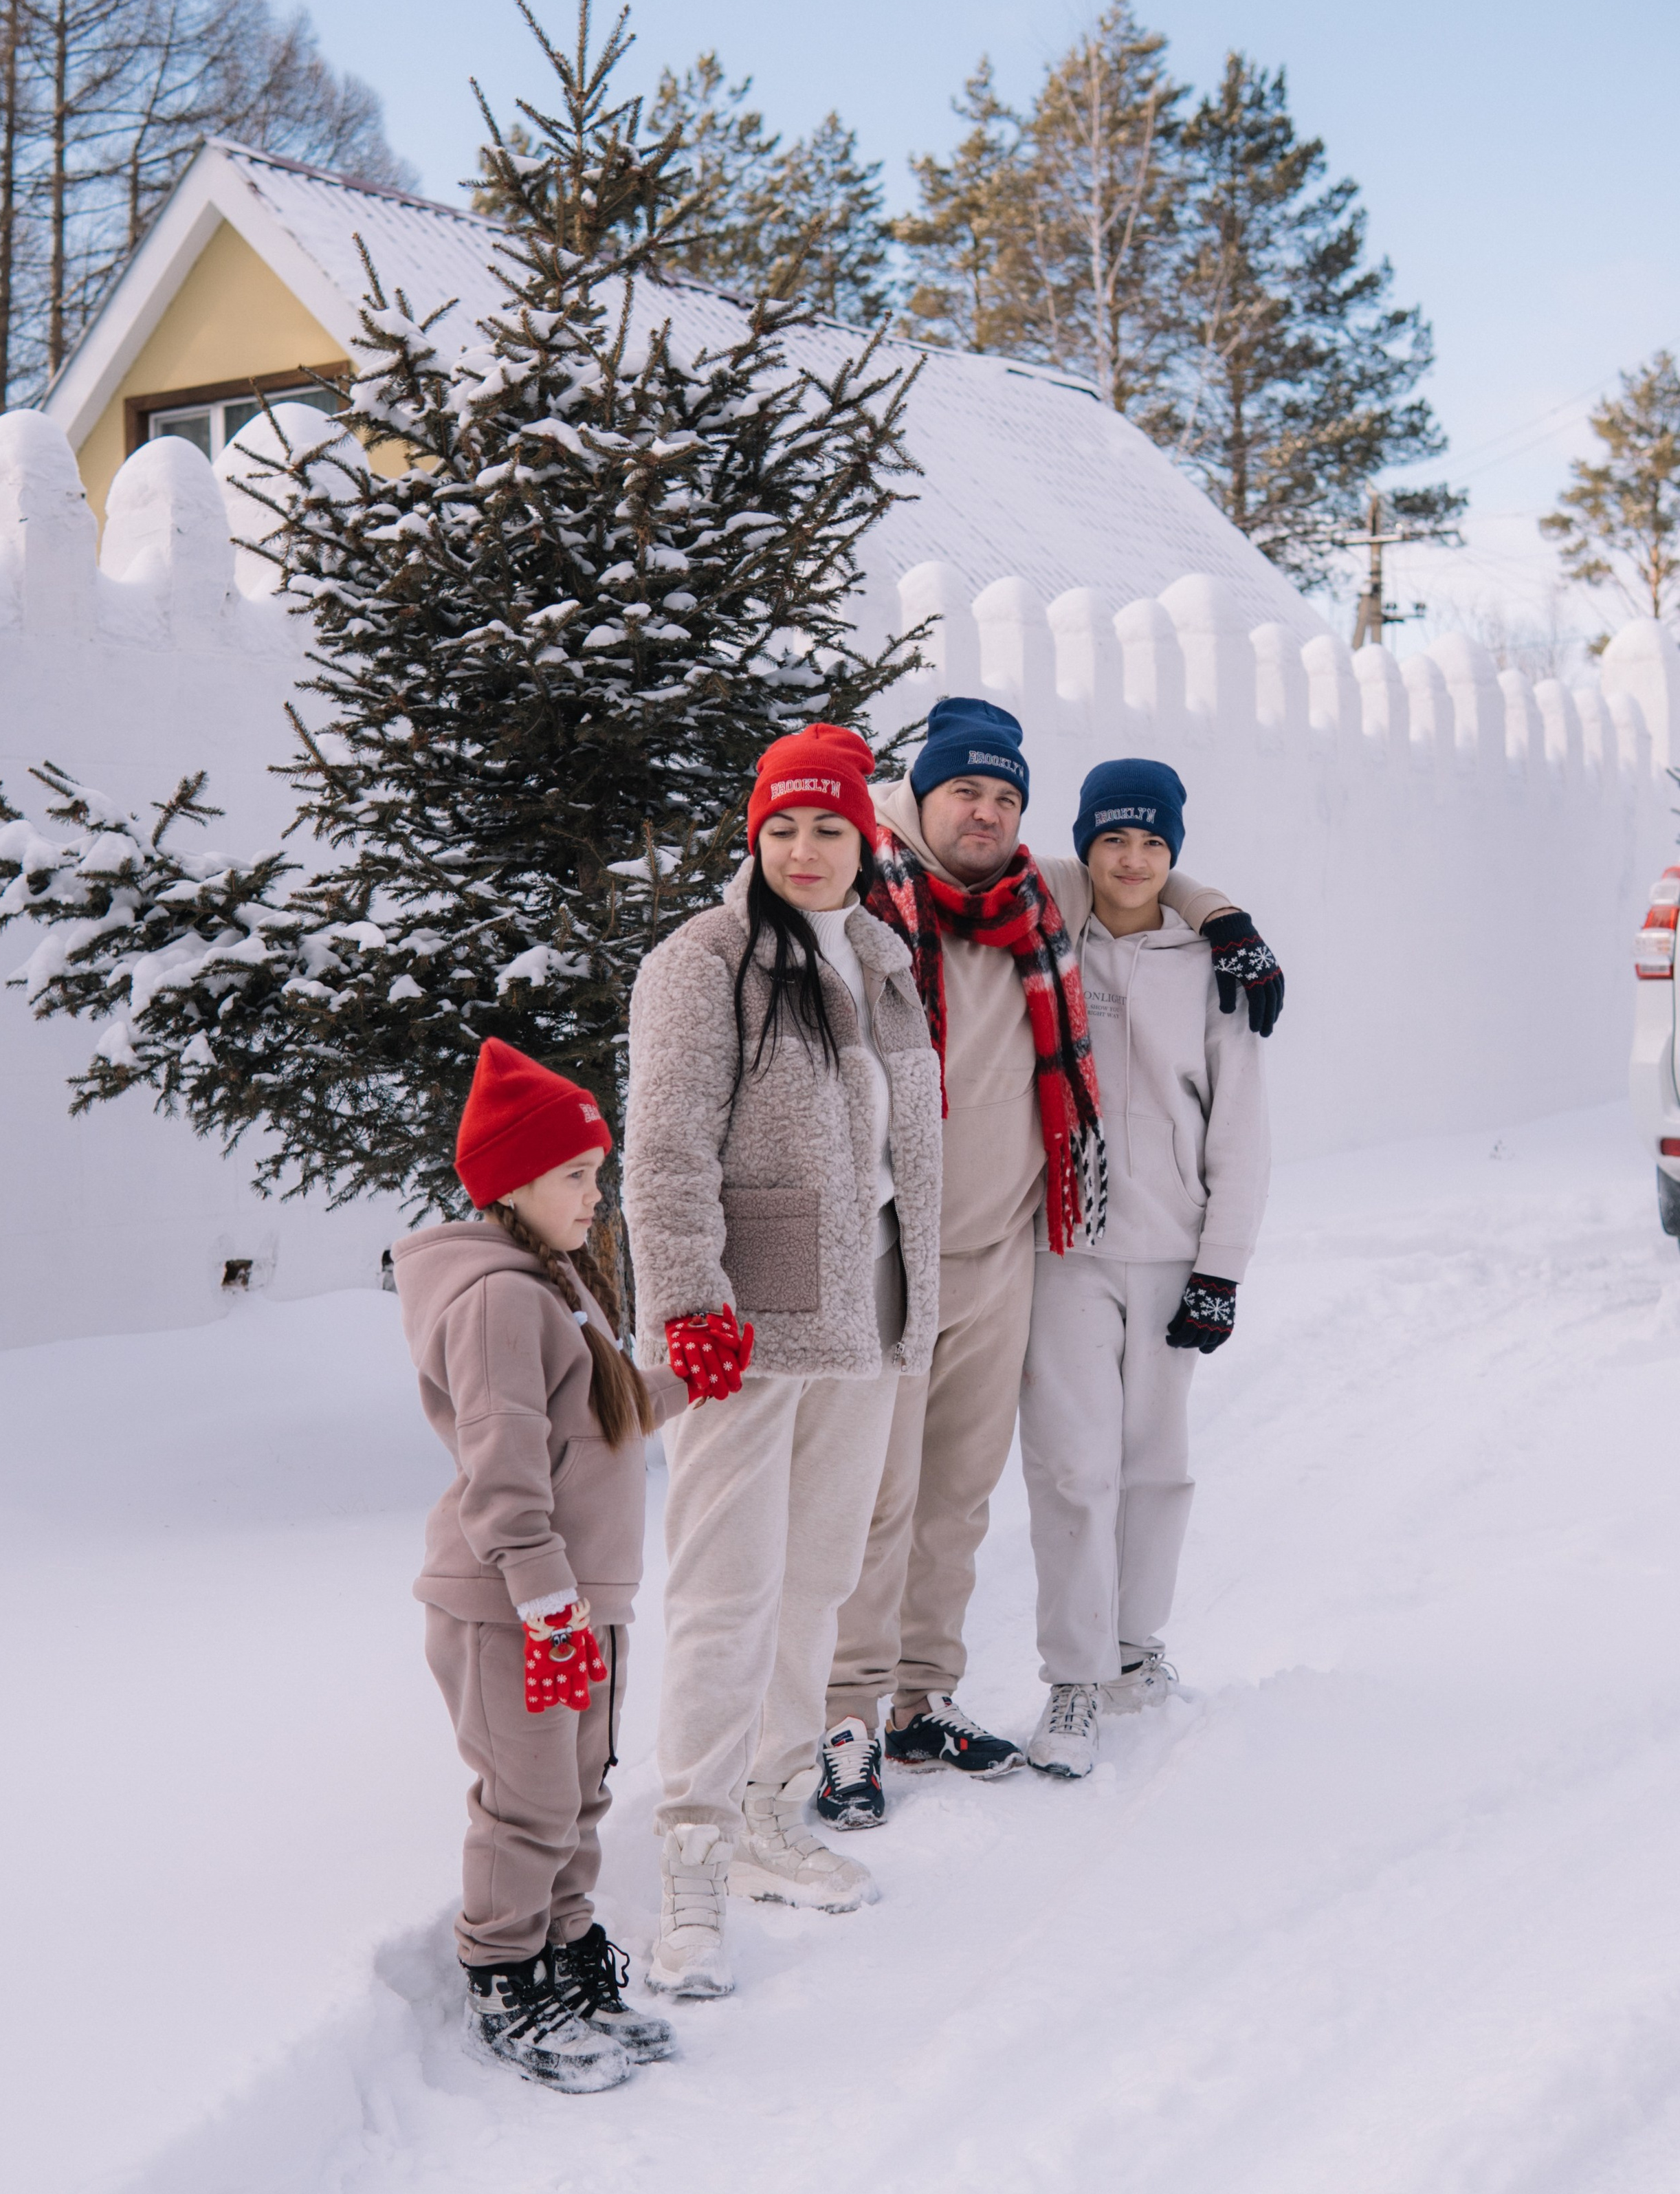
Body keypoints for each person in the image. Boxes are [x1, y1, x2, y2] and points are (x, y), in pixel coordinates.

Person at [819, 697, 1283, 1828]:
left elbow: (1159, 885)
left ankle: (944, 1693)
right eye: (965, 790)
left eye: (1003, 797)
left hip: (1044, 1242)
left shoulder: (1033, 899)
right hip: (938, 1248)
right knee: (894, 1495)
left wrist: (1224, 915)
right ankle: (852, 1712)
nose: (984, 812)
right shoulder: (893, 892)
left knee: (975, 1493)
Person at [623, 722, 942, 1997]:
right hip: (742, 1326)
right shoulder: (701, 964)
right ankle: (689, 1860)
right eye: (783, 828)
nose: (807, 850)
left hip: (865, 1303)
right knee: (724, 1590)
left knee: (814, 1578)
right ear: (751, 839)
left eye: (831, 828)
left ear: (866, 841)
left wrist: (924, 1293)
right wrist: (689, 1305)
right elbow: (662, 1156)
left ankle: (768, 1812)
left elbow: (909, 1146)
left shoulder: (879, 955)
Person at [393, 1038, 689, 2094]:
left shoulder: (557, 1284)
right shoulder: (498, 1300)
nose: (595, 1198)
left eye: (598, 1175)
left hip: (581, 1599)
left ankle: (565, 1954)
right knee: (525, 1803)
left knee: (580, 1793)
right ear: (511, 1182)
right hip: (516, 1605)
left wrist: (681, 1379)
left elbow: (594, 1421)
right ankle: (503, 1973)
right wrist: (545, 1600)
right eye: (576, 1177)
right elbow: (504, 1462)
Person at [1018, 761, 1271, 1775]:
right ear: (1084, 842)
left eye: (1154, 844)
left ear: (1175, 851)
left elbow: (1242, 1130)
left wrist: (1223, 1268)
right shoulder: (1039, 933)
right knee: (1073, 1467)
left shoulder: (1214, 967)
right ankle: (1073, 1680)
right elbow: (957, 858)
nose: (1132, 861)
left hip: (1172, 1250)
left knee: (1156, 1465)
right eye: (1113, 840)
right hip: (1062, 1248)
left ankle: (1133, 1652)